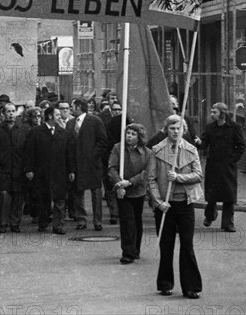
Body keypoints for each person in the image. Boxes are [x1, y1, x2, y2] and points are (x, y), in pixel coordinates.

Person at [148, 114, 203, 299]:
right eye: (172, 128)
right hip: (165, 206)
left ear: (184, 130)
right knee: (166, 245)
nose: (175, 131)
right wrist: (158, 202)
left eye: (179, 128)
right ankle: (165, 284)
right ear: (166, 129)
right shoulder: (156, 150)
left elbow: (198, 175)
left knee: (187, 246)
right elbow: (152, 180)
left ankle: (191, 287)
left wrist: (179, 177)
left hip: (185, 204)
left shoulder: (191, 149)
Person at [24, 106, 76, 234]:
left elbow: (69, 154)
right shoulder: (36, 132)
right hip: (42, 172)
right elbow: (29, 153)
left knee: (60, 199)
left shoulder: (64, 133)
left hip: (60, 172)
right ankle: (43, 222)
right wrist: (29, 170)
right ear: (50, 116)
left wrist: (71, 171)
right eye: (57, 115)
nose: (60, 117)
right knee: (43, 198)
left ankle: (58, 225)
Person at [194, 102, 245, 232]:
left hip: (228, 166)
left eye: (214, 112)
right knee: (211, 194)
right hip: (213, 165)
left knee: (229, 195)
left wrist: (233, 160)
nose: (212, 114)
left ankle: (228, 223)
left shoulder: (234, 127)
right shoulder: (210, 127)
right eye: (211, 112)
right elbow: (204, 144)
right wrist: (199, 143)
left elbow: (241, 146)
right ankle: (210, 216)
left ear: (222, 114)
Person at [108, 124, 154, 264]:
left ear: (139, 137)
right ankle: (127, 252)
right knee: (127, 220)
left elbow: (147, 172)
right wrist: (119, 184)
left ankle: (136, 249)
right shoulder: (118, 148)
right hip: (123, 191)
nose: (129, 136)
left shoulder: (147, 153)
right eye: (128, 133)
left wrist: (130, 182)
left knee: (136, 220)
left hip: (138, 190)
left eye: (133, 134)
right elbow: (112, 168)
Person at [66, 99, 109, 231]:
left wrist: (93, 156)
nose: (71, 109)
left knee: (96, 193)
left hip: (92, 165)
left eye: (72, 106)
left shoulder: (95, 121)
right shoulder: (70, 123)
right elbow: (68, 145)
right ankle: (81, 219)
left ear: (79, 107)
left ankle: (97, 221)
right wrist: (71, 166)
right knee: (78, 192)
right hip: (76, 164)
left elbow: (102, 141)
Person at [0, 102, 30, 233]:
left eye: (13, 111)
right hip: (3, 168)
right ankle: (3, 223)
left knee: (18, 197)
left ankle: (15, 223)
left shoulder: (23, 129)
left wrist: (25, 165)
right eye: (8, 111)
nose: (11, 114)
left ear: (16, 113)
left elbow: (28, 149)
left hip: (19, 168)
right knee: (4, 196)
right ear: (3, 113)